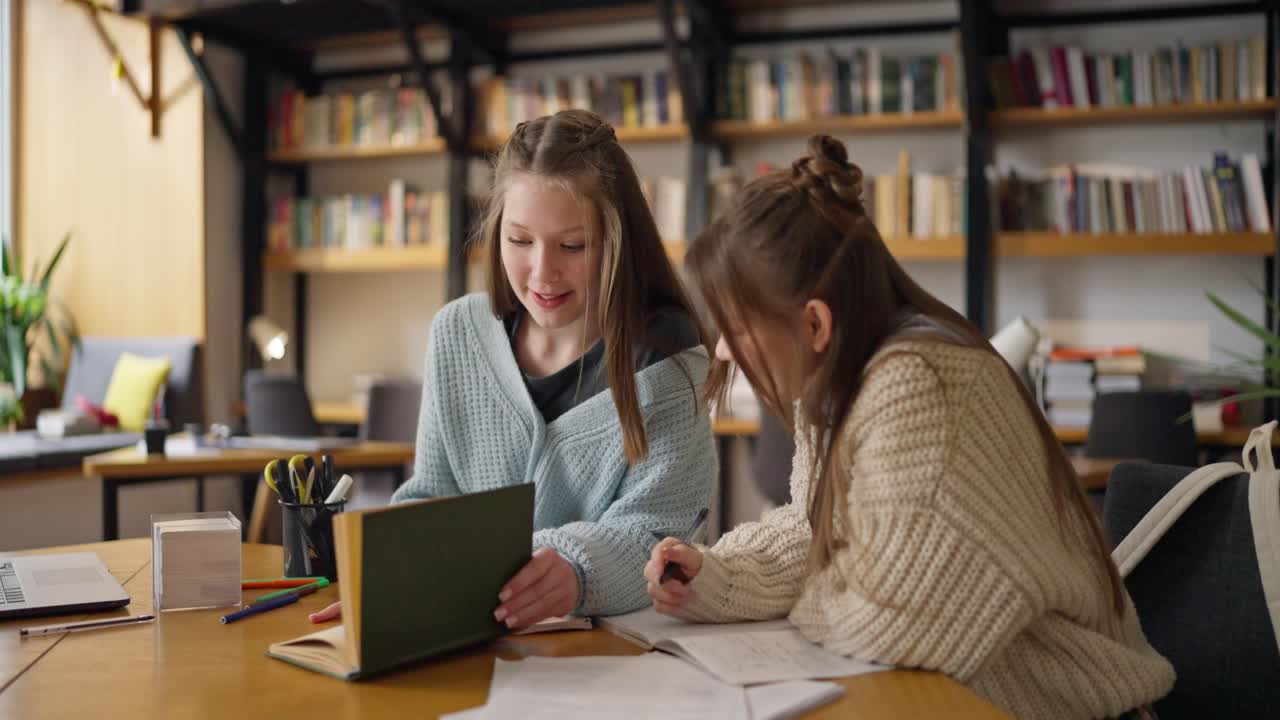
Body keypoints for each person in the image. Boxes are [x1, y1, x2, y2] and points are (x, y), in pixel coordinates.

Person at [645, 135, 1174, 720]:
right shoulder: (843, 380)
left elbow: (890, 625)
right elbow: (820, 527)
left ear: (815, 323)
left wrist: (815, 591)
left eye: (735, 328)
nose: (721, 351)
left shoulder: (918, 384)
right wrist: (719, 574)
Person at [312, 109, 715, 630]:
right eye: (520, 241)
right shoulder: (456, 333)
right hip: (469, 648)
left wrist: (576, 568)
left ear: (618, 242)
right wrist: (393, 577)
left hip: (614, 659)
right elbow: (434, 498)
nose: (542, 272)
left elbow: (657, 533)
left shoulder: (671, 360)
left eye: (573, 246)